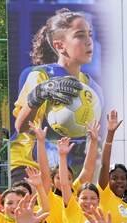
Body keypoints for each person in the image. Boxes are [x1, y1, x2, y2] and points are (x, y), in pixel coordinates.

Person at [10, 8, 101, 179]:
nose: (89, 41)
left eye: (90, 34)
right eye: (80, 35)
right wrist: (39, 94)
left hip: (67, 171)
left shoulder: (91, 86)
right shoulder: (40, 76)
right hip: (29, 167)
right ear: (60, 45)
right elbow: (21, 127)